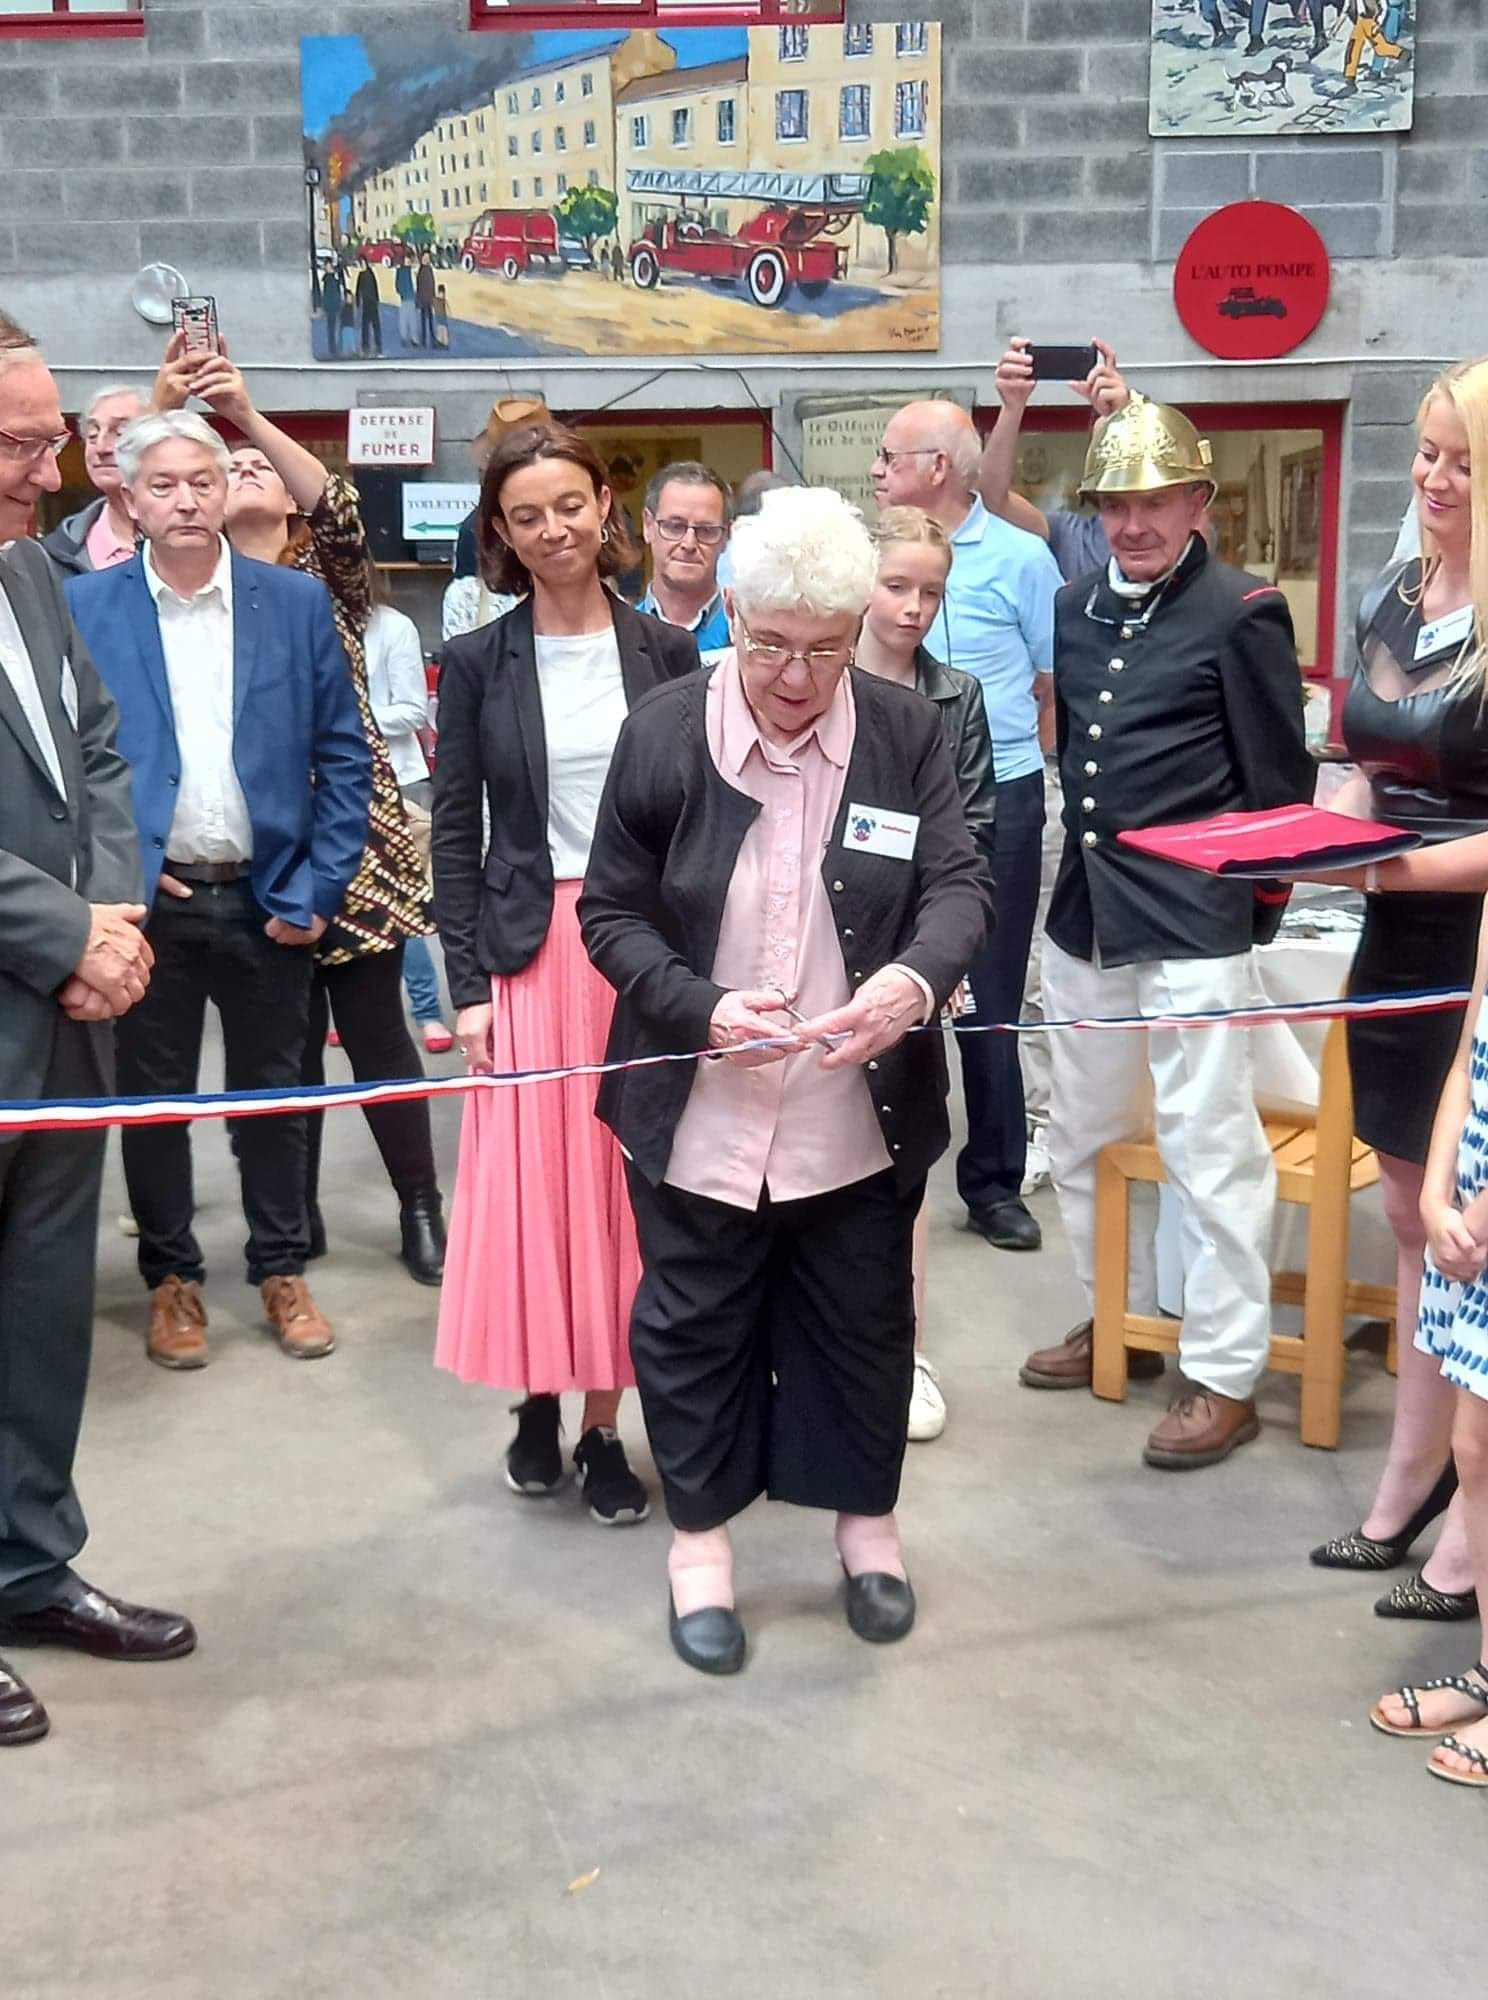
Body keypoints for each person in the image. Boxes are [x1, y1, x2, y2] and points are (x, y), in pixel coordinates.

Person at [579, 484, 991, 1675]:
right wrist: (701, 1006)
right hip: (701, 1104)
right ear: (733, 622)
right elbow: (611, 912)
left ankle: (869, 1532)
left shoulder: (905, 733)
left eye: (825, 650)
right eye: (770, 647)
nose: (798, 678)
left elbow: (961, 883)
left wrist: (913, 981)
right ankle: (700, 1546)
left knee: (862, 1324)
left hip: (853, 1108)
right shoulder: (663, 730)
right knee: (695, 1323)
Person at [1016, 394, 1313, 1468]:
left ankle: (1225, 1367)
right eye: (1114, 504)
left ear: (1198, 501)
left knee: (1209, 1148)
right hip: (1088, 915)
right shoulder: (1074, 606)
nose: (1133, 523)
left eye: (1155, 502)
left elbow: (1280, 782)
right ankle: (1124, 1319)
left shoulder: (1242, 610)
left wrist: (1250, 911)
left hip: (1194, 920)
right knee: (1087, 1134)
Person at [432, 422, 700, 1523]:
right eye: (526, 514)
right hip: (530, 957)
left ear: (606, 506)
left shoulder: (669, 654)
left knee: (625, 1194)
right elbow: (454, 830)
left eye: (570, 505)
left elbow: (702, 822)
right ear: (500, 531)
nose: (554, 530)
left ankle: (602, 1427)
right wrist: (461, 987)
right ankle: (537, 1394)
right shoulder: (481, 661)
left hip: (639, 949)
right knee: (539, 1191)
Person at [67, 410, 369, 1370]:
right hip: (149, 907)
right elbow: (68, 766)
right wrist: (114, 868)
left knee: (275, 1098)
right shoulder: (88, 609)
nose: (189, 499)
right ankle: (172, 1280)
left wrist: (321, 885)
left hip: (268, 895)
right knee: (154, 1104)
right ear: (127, 497)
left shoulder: (290, 602)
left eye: (204, 478)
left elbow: (343, 753)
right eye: (164, 485)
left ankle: (281, 1269)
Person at [151, 335, 449, 1288]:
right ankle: (295, 1215)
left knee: (374, 1037)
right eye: (223, 464)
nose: (239, 472)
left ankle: (418, 1202)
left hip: (350, 850)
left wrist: (242, 415)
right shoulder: (174, 583)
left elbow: (340, 506)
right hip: (241, 854)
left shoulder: (324, 580)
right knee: (276, 1055)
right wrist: (178, 418)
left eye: (252, 468)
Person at [0, 314, 195, 1748]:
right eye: (20, 444)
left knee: (43, 1309)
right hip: (38, 977)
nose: (53, 469)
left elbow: (104, 744)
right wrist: (67, 937)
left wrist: (112, 921)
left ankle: (25, 1563)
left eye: (52, 436)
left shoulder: (32, 576)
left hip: (65, 1019)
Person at [1291, 359, 1488, 1619]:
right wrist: (1332, 821)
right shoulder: (1393, 591)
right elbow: (1355, 752)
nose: (1432, 477)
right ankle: (1416, 1471)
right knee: (1414, 1220)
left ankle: (1465, 1516)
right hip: (1390, 942)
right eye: (1425, 452)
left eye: (1462, 460)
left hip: (1474, 947)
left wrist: (1392, 864)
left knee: (1472, 1232)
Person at [873, 399, 1061, 1254]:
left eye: (890, 457)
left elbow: (1056, 677)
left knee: (987, 993)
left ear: (937, 464)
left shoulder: (1024, 558)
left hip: (996, 796)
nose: (877, 471)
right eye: (899, 589)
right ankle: (875, 1163)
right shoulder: (870, 565)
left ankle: (993, 1180)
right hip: (883, 821)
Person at [977, 339, 1134, 1197]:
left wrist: (1122, 409)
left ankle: (1118, 1124)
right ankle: (1050, 1124)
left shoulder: (1181, 556)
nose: (1130, 520)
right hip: (1071, 785)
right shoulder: (1072, 538)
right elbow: (992, 497)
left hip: (1147, 795)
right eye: (1115, 496)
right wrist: (1012, 406)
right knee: (1051, 960)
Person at [856, 505, 996, 1444]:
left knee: (903, 1158)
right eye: (897, 585)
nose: (912, 609)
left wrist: (932, 961)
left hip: (912, 962)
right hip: (811, 949)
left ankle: (902, 1349)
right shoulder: (812, 675)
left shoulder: (958, 697)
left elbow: (970, 839)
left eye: (930, 593)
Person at [1365, 914, 1488, 1782]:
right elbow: (1467, 1045)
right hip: (1472, 1214)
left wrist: (1471, 1221)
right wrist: (1441, 1192)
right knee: (1475, 1451)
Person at [363, 558, 451, 1054]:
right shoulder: (312, 622)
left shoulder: (392, 626)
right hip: (329, 780)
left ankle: (426, 1012)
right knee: (341, 905)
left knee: (404, 904)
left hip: (398, 780)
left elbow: (414, 710)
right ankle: (348, 1009)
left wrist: (344, 716)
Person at [42, 383, 145, 575]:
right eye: (92, 435)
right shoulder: (57, 553)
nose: (101, 448)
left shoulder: (191, 535)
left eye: (120, 433)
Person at [636, 461, 732, 661]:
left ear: (726, 537)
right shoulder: (619, 635)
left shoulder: (745, 636)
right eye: (675, 527)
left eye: (706, 530)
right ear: (647, 526)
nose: (689, 544)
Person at [356, 256, 383, 358]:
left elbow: (375, 286)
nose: (362, 265)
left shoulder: (370, 273)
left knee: (376, 326)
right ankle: (365, 347)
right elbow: (358, 289)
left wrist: (377, 299)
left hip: (373, 303)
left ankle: (378, 347)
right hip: (366, 303)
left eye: (363, 263)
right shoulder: (360, 275)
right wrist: (358, 301)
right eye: (361, 263)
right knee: (365, 327)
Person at [320, 264, 345, 359]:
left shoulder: (332, 278)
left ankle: (334, 347)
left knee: (333, 327)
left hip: (333, 305)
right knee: (332, 327)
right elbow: (327, 293)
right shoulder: (329, 279)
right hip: (332, 306)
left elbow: (338, 289)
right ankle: (333, 348)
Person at [394, 254, 418, 350]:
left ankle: (414, 338)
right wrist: (401, 292)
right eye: (406, 260)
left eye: (409, 261)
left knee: (413, 320)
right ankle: (404, 337)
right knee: (404, 320)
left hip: (412, 299)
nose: (407, 262)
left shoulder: (412, 271)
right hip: (404, 299)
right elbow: (397, 284)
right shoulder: (400, 271)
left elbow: (416, 284)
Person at [416, 252, 437, 348]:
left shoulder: (429, 269)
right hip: (423, 299)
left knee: (430, 321)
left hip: (429, 299)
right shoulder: (421, 270)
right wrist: (418, 301)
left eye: (428, 258)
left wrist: (433, 297)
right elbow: (419, 287)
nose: (426, 259)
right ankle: (424, 340)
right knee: (424, 321)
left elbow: (432, 285)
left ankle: (432, 339)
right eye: (425, 257)